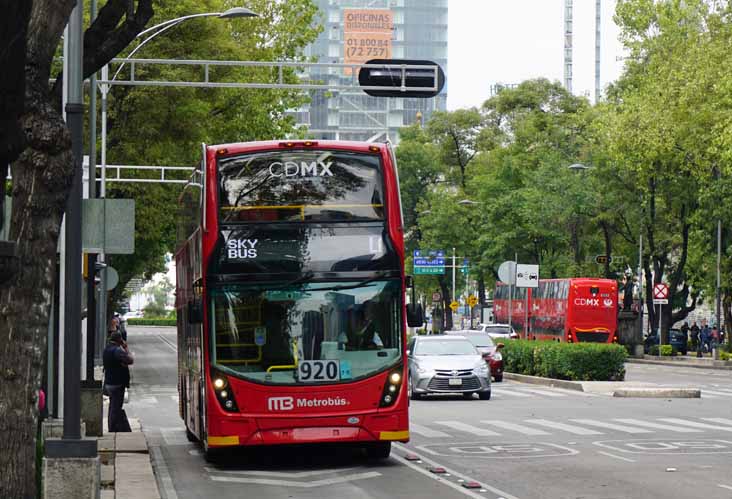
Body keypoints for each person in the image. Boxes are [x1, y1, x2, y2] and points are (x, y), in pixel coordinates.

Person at [103, 331, 134, 432]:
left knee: (112, 406)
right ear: (119, 340)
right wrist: (126, 348)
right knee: (116, 407)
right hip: (117, 383)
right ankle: (113, 428)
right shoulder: (117, 350)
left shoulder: (106, 349)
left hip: (109, 382)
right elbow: (130, 360)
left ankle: (112, 426)